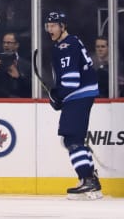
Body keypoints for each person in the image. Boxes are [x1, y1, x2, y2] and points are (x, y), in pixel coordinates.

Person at [44, 11, 102, 200]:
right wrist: (59, 96)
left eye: (54, 25)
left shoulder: (65, 46)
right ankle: (91, 181)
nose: (50, 29)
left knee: (71, 140)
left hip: (79, 95)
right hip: (81, 94)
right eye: (48, 26)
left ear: (63, 26)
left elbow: (70, 82)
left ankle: (87, 179)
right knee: (72, 139)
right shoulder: (72, 42)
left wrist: (57, 97)